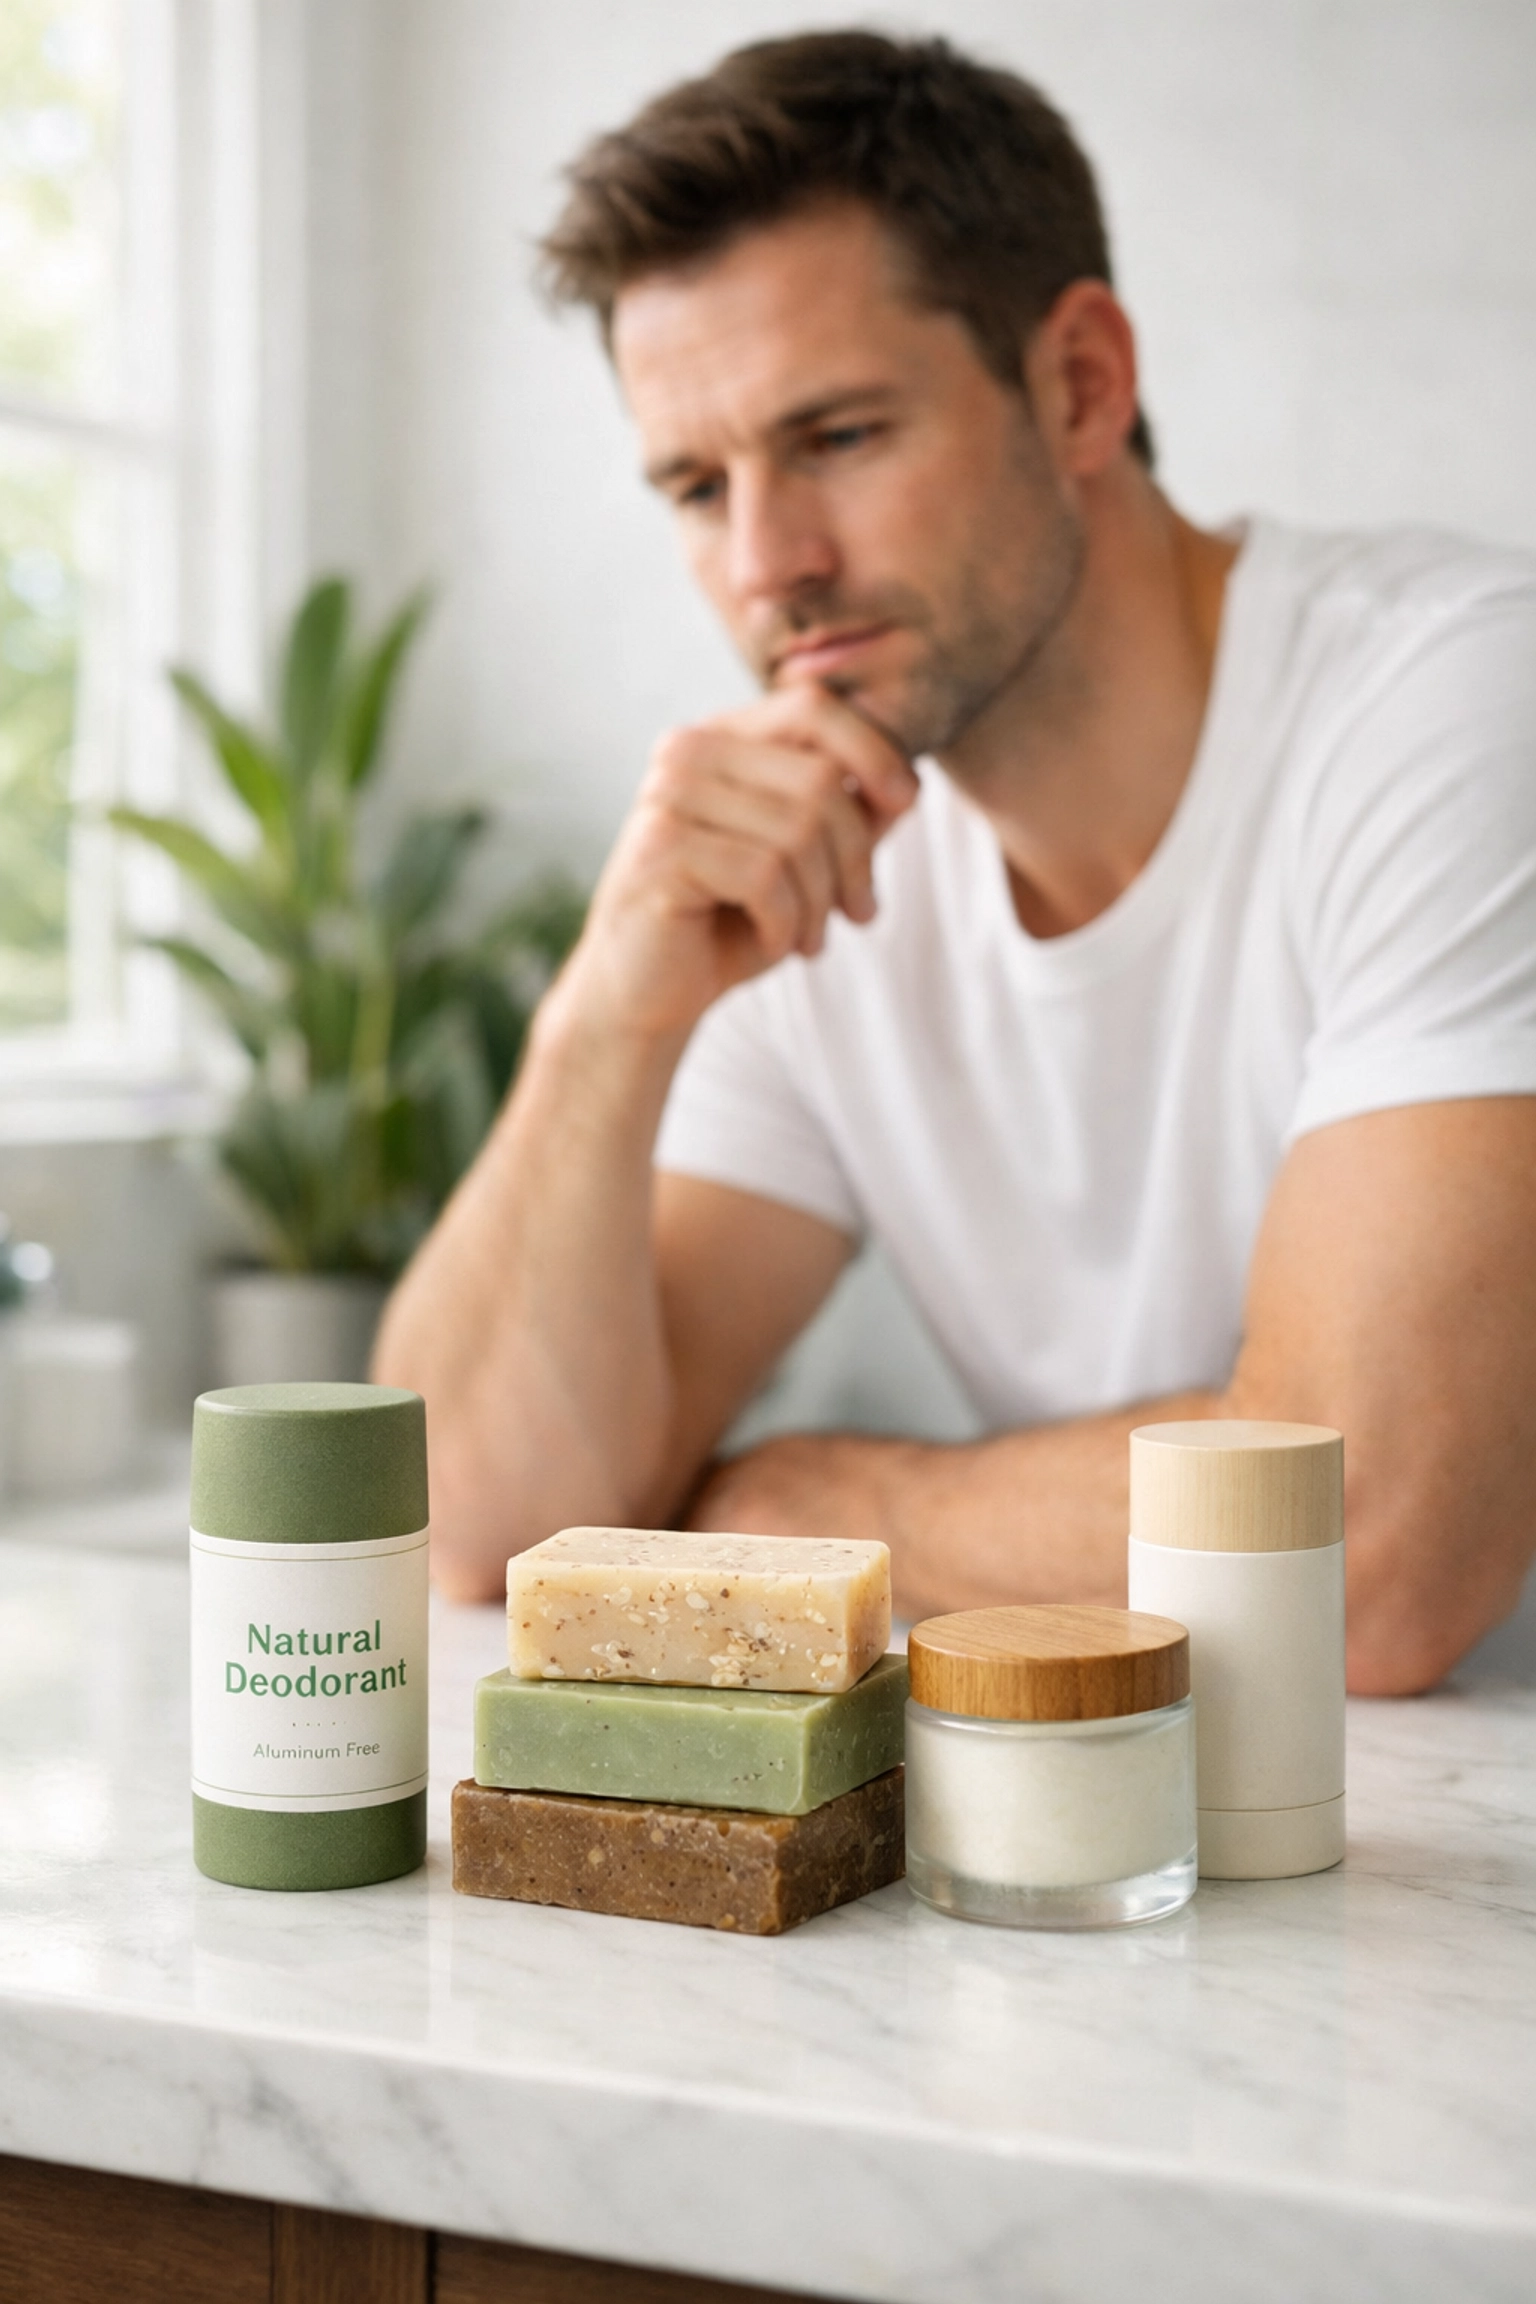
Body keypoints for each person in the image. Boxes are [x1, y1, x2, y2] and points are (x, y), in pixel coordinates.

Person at [374, 30, 1536, 1693]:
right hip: (1149, 1849)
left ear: (1079, 384)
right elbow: (481, 1523)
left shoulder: (1451, 703)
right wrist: (604, 1022)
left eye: (838, 434)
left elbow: (1369, 1551)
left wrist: (820, 1498)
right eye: (699, 486)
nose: (768, 564)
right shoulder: (814, 861)